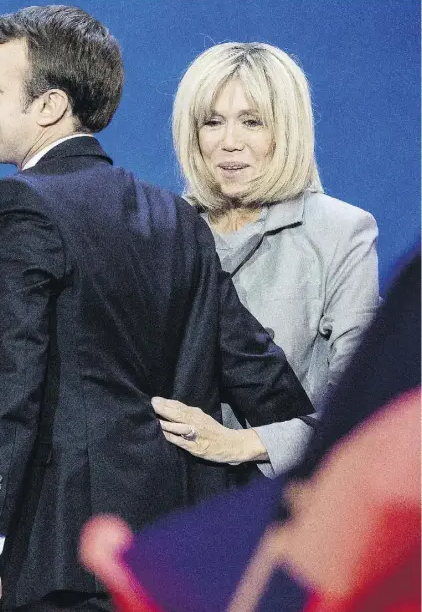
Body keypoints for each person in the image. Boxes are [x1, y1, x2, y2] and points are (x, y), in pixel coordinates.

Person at [0, 7, 313, 612]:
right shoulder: (176, 218)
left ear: (49, 107)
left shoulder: (19, 205)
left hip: (67, 565)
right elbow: (263, 377)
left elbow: (7, 391)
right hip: (177, 564)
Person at [79, 249, 421, 612]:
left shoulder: (340, 234)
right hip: (185, 511)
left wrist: (242, 443)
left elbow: (357, 410)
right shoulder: (176, 223)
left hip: (289, 516)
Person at [152, 42, 379, 476]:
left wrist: (238, 444)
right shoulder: (163, 230)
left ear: (286, 130)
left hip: (281, 506)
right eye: (212, 122)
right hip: (175, 502)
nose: (229, 143)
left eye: (252, 122)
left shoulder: (339, 231)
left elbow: (362, 404)